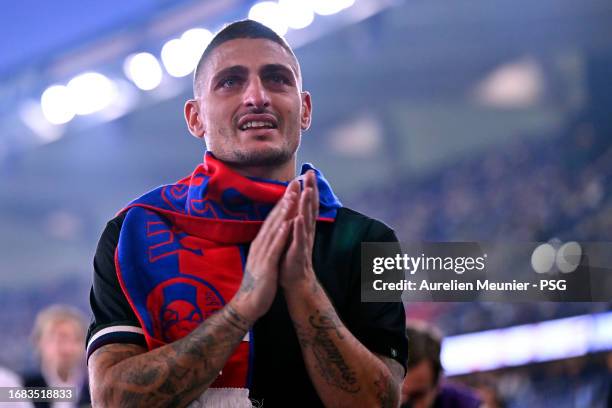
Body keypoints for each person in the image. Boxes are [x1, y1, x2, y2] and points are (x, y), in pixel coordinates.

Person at [86, 19, 407, 407]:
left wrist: (303, 289)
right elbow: (111, 400)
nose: (257, 96)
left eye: (276, 79)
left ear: (304, 109)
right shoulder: (131, 234)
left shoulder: (373, 242)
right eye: (230, 82)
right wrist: (241, 310)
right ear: (195, 117)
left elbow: (382, 403)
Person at [400, 323, 481, 408]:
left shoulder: (465, 404)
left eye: (417, 395)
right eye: (399, 392)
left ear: (437, 384)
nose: (402, 401)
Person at [25, 305, 90, 407]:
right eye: (59, 340)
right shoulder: (22, 388)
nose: (67, 348)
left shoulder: (95, 391)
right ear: (39, 342)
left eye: (76, 339)